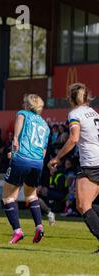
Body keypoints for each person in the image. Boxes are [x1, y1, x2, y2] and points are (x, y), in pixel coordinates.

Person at [48, 83, 99, 254]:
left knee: (83, 205)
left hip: (91, 162)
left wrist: (57, 157)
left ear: (70, 97)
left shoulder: (75, 113)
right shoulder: (93, 112)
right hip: (96, 160)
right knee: (85, 205)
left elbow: (74, 138)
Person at [2, 94, 50, 244]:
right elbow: (43, 151)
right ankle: (39, 226)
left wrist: (15, 144)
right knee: (31, 196)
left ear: (27, 105)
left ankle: (17, 231)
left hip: (22, 159)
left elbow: (17, 137)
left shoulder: (22, 114)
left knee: (8, 197)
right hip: (37, 163)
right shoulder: (45, 125)